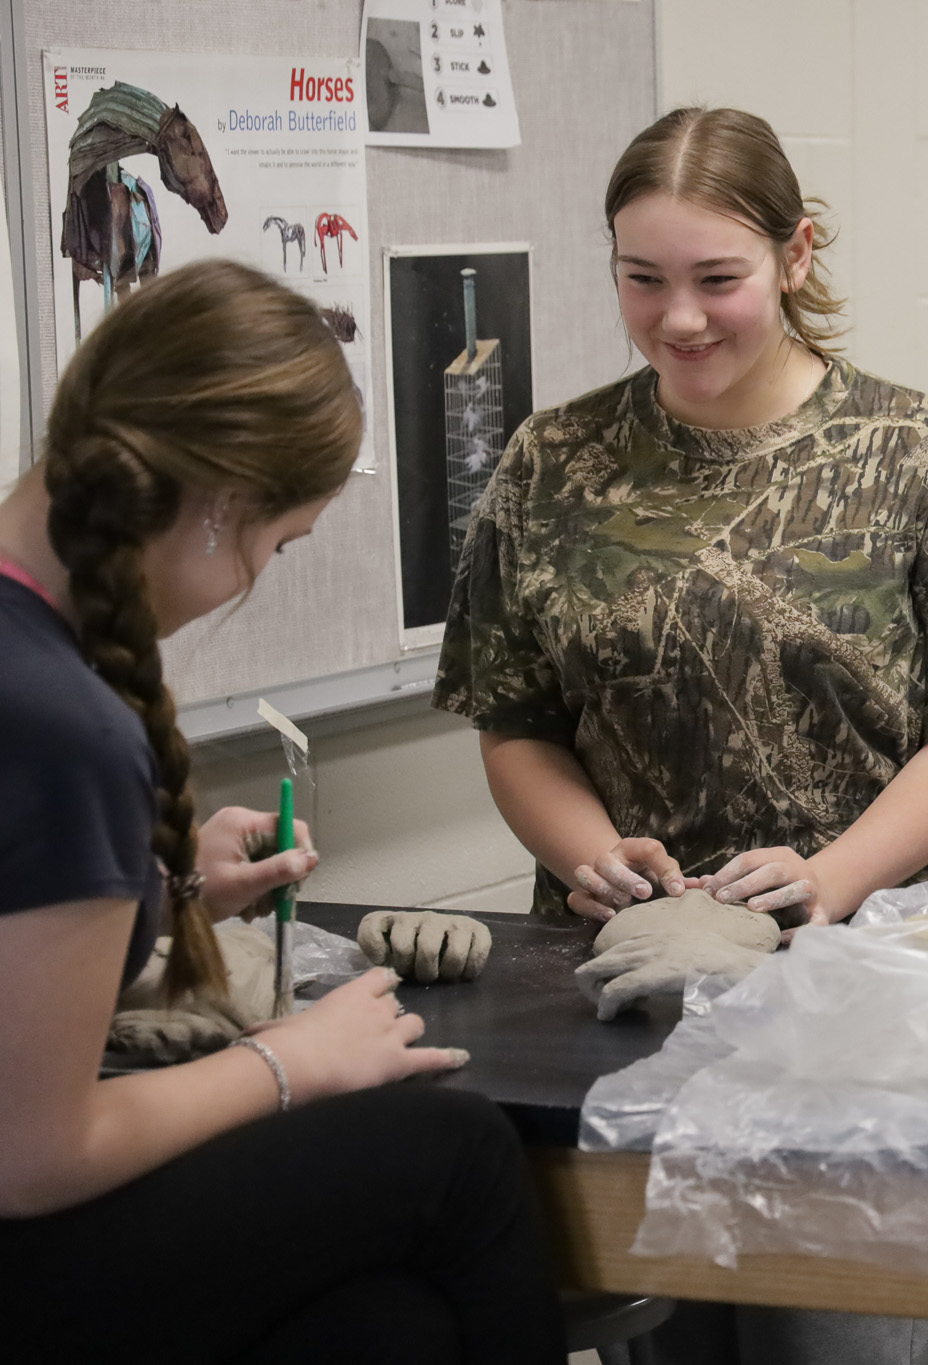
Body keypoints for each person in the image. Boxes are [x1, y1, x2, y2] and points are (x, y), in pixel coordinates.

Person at [433, 106, 928, 1365]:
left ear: (797, 254)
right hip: (626, 989)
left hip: (868, 989)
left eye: (717, 279)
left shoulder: (918, 457)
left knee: (835, 1331)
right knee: (659, 1324)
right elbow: (515, 721)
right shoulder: (554, 460)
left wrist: (829, 878)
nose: (679, 318)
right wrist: (586, 854)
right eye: (642, 280)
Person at [0, 261, 564, 1363]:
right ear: (218, 510)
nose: (258, 573)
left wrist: (161, 896)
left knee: (383, 1332)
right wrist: (292, 1064)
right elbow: (33, 1153)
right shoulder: (59, 726)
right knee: (451, 1151)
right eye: (279, 545)